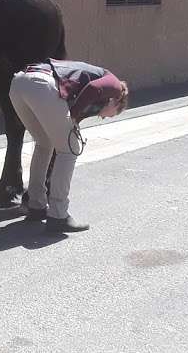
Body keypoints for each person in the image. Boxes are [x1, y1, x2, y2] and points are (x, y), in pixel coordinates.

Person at [9, 59, 129, 233]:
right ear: (117, 103)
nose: (104, 117)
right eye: (112, 115)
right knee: (69, 149)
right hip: (42, 85)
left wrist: (73, 118)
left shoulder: (95, 81)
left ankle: (36, 206)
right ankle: (58, 215)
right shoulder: (115, 86)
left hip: (20, 83)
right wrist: (73, 116)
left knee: (44, 143)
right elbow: (93, 89)